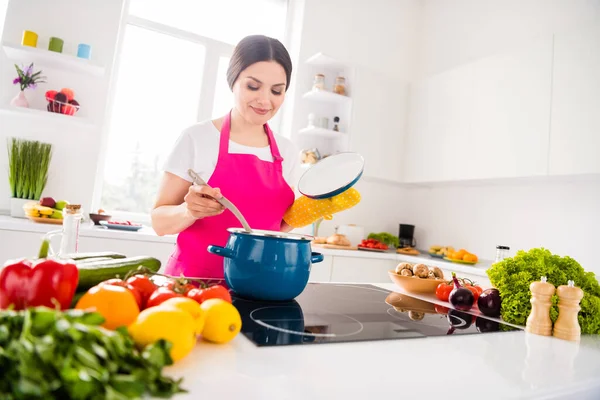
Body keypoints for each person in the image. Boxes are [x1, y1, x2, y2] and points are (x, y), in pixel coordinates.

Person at [151, 35, 301, 279]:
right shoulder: (196, 138)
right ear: (233, 82)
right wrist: (190, 211)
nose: (265, 100)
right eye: (253, 86)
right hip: (192, 285)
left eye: (277, 91)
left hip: (258, 286)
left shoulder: (288, 152)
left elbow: (277, 228)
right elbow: (159, 222)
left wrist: (312, 210)